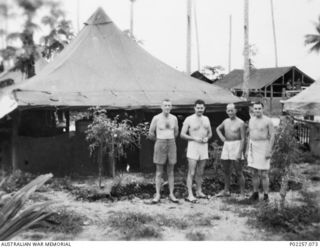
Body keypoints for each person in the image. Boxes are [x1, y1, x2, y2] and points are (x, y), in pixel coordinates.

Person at [181, 99, 212, 203]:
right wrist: (194, 138)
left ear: (204, 108)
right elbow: (182, 134)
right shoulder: (189, 119)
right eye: (198, 108)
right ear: (194, 108)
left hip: (203, 146)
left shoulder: (207, 119)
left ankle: (199, 191)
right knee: (192, 171)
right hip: (193, 146)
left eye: (201, 108)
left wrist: (207, 138)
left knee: (201, 171)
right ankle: (190, 194)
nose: (200, 109)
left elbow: (210, 133)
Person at [149, 99, 179, 204]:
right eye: (165, 105)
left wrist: (169, 139)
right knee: (159, 171)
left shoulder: (174, 118)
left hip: (171, 143)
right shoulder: (156, 118)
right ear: (161, 107)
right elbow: (151, 133)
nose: (167, 107)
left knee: (171, 170)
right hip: (160, 143)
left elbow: (176, 132)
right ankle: (157, 194)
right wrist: (159, 141)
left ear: (171, 107)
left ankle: (171, 193)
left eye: (169, 105)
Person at [246, 101, 275, 202]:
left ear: (263, 109)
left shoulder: (268, 121)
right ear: (253, 109)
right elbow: (249, 135)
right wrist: (247, 150)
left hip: (264, 146)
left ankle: (266, 195)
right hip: (253, 146)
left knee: (264, 174)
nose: (257, 110)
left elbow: (272, 136)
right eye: (255, 108)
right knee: (254, 173)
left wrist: (269, 150)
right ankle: (255, 193)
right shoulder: (251, 120)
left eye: (259, 108)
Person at [216, 103, 245, 197]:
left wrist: (240, 152)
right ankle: (226, 191)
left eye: (232, 110)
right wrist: (222, 138)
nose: (230, 112)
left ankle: (242, 193)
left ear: (235, 111)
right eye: (228, 110)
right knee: (226, 170)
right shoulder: (225, 121)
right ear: (226, 111)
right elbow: (218, 129)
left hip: (236, 145)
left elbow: (243, 139)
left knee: (238, 171)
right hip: (227, 145)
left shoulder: (240, 122)